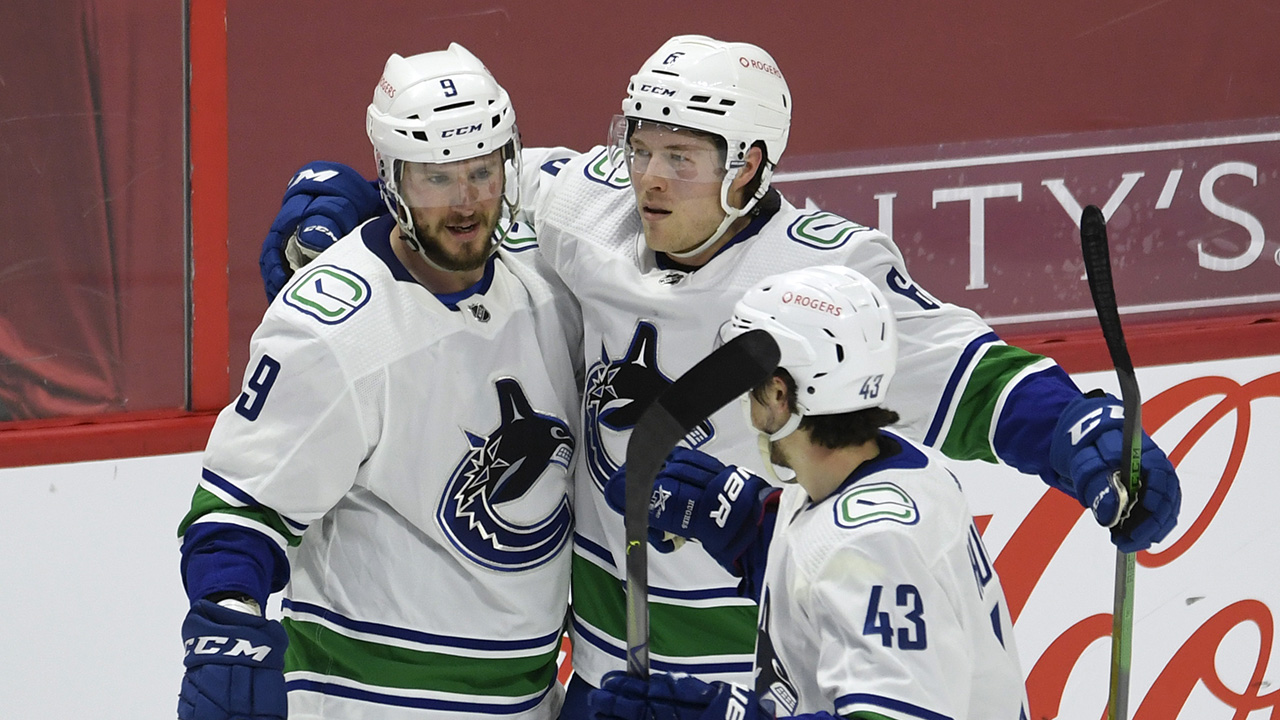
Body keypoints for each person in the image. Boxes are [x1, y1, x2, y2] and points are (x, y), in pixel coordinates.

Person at [255, 35, 1180, 717]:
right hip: (609, 671)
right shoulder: (591, 204)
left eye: (680, 160)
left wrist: (1083, 439)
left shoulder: (823, 277)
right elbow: (464, 181)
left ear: (748, 166)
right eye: (641, 147)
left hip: (746, 681)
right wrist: (335, 197)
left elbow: (970, 375)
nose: (648, 180)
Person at [177, 44, 582, 720]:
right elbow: (238, 511)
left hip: (530, 697)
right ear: (391, 180)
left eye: (482, 173)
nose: (467, 203)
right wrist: (225, 628)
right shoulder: (328, 327)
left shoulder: (547, 275)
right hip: (364, 699)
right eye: (436, 179)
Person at [593, 266, 1028, 719]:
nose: (743, 394)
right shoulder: (893, 471)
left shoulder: (875, 546)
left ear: (779, 394)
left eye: (748, 382)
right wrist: (743, 521)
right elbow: (829, 593)